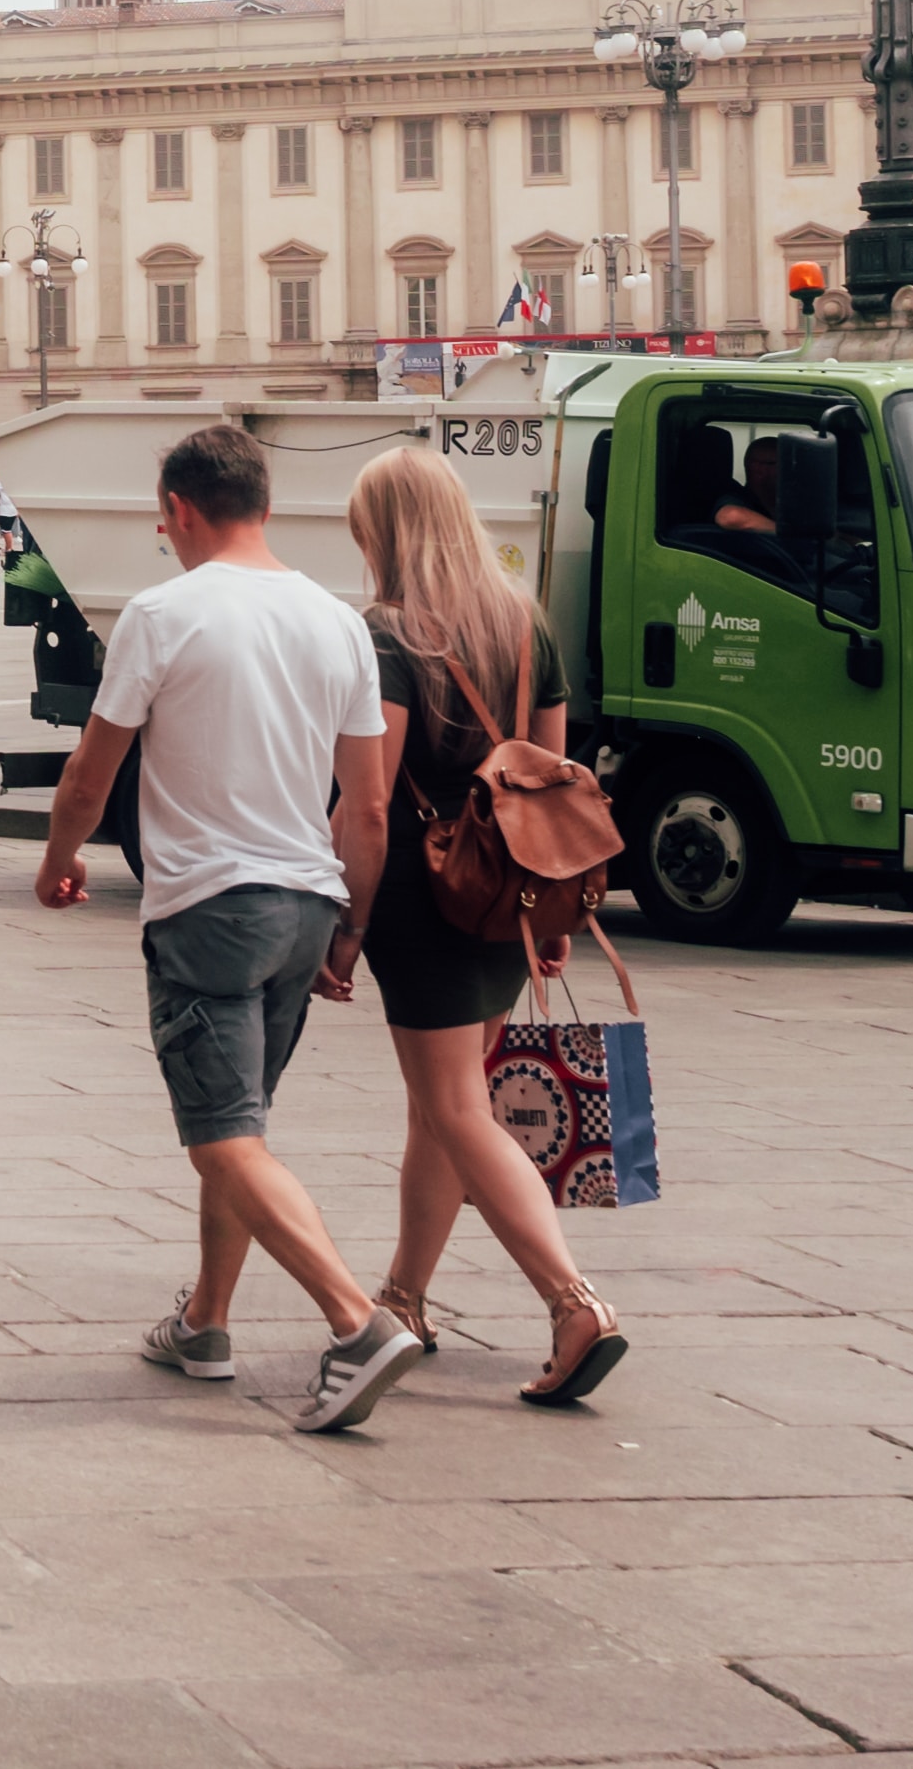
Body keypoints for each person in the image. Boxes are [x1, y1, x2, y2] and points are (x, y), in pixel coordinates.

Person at [28, 417, 425, 1437]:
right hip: (305, 904)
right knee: (239, 1128)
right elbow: (368, 805)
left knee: (223, 1137)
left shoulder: (161, 615)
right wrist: (349, 929)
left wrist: (59, 860)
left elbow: (92, 770)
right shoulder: (338, 622)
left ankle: (356, 1323)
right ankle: (204, 1322)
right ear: (264, 503)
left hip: (209, 904)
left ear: (179, 511)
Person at [336, 444, 624, 1408]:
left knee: (459, 1106)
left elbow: (368, 800)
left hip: (427, 895)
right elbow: (553, 775)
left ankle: (573, 1301)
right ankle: (406, 1298)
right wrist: (556, 912)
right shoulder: (523, 619)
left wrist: (348, 922)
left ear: (384, 532)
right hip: (511, 888)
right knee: (440, 1105)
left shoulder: (384, 635)